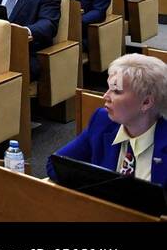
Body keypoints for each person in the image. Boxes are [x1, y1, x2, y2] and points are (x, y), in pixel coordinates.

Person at [47, 54, 167, 183]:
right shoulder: (102, 121)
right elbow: (55, 164)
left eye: (116, 91)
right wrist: (102, 190)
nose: (105, 96)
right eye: (108, 88)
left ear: (146, 102)